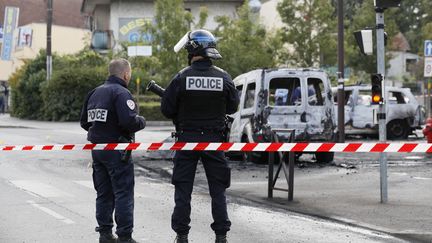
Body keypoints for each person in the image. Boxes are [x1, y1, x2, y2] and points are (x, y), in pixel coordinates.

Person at [161, 29, 239, 243]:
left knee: (183, 190)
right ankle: (221, 236)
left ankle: (182, 235)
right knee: (217, 190)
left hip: (186, 140)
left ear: (192, 49)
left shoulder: (181, 77)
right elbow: (233, 107)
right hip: (214, 141)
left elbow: (167, 110)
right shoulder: (223, 77)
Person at [80, 58, 146, 243]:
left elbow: (85, 122)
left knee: (104, 193)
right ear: (125, 74)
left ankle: (105, 234)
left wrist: (101, 132)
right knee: (123, 193)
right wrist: (141, 120)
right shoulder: (121, 92)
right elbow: (129, 122)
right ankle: (125, 237)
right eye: (130, 74)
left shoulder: (94, 92)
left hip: (97, 150)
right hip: (117, 150)